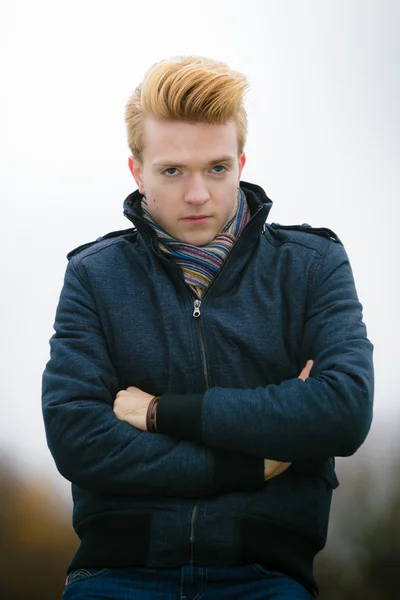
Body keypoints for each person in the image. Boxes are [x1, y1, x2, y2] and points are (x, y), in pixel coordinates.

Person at [42, 56, 374, 599]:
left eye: (217, 168)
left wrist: (158, 414)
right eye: (173, 170)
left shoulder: (313, 265)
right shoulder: (93, 276)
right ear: (136, 172)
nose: (198, 195)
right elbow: (77, 438)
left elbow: (343, 409)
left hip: (266, 576)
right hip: (116, 575)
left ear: (241, 162)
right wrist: (246, 466)